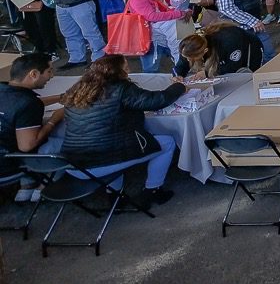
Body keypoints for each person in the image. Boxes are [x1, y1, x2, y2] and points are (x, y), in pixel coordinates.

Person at [60, 55, 189, 205]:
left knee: (111, 144)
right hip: (101, 160)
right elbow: (156, 100)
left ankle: (114, 196)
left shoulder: (76, 90)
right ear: (116, 71)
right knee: (167, 142)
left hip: (72, 162)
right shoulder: (121, 88)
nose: (129, 69)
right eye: (125, 66)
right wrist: (179, 87)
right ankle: (153, 189)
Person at [0, 54, 61, 202]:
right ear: (33, 74)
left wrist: (60, 97)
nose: (52, 76)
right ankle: (46, 186)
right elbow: (28, 145)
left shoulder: (5, 89)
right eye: (49, 71)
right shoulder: (28, 104)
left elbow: (22, 104)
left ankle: (27, 186)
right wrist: (54, 119)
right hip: (7, 166)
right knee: (63, 139)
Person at [125, 0, 188, 73]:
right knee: (151, 70)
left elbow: (170, 5)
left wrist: (181, 2)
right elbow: (151, 16)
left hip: (166, 33)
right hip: (149, 37)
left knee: (179, 59)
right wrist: (180, 14)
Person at [173, 23, 263, 79]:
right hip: (223, 50)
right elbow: (181, 64)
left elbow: (233, 66)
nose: (188, 60)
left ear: (205, 51)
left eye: (191, 58)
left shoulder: (229, 40)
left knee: (250, 79)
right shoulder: (189, 47)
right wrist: (178, 76)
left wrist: (207, 73)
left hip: (250, 50)